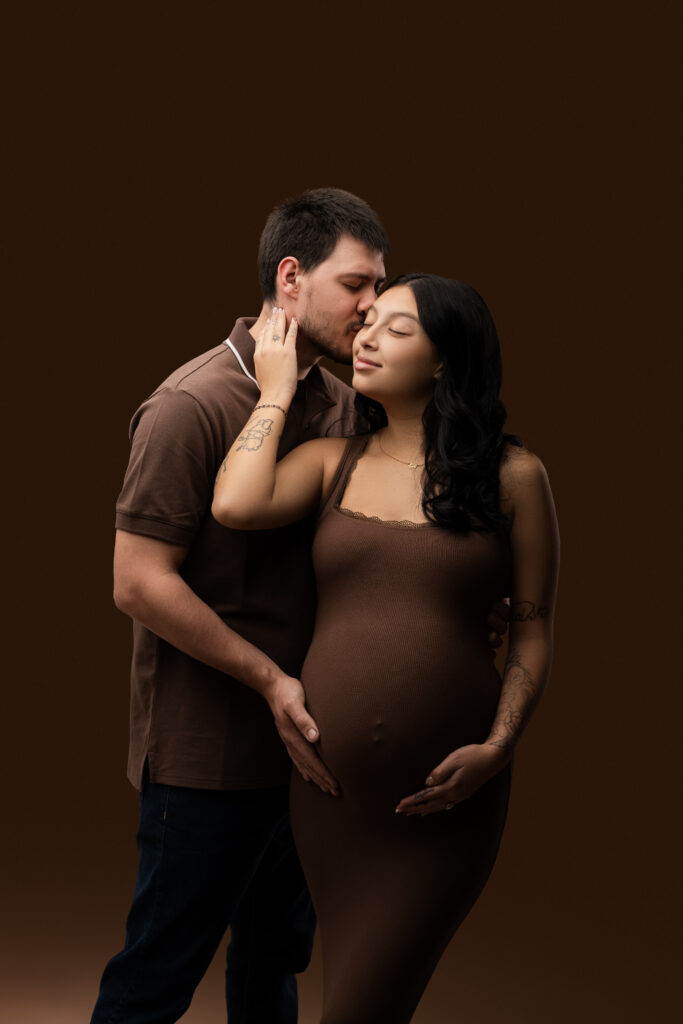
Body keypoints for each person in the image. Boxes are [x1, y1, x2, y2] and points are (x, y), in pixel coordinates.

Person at [91, 190, 509, 1024]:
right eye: (358, 285)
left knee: (275, 964)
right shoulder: (191, 407)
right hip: (210, 755)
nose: (370, 310)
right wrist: (271, 680)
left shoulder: (348, 401)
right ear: (291, 278)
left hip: (317, 759)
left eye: (382, 292)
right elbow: (137, 581)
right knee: (159, 974)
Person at [212, 279, 560, 1023]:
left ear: (445, 360)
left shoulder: (515, 479)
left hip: (440, 806)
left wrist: (498, 747)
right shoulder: (329, 460)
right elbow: (235, 504)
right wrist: (274, 392)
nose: (365, 336)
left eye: (395, 329)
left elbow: (531, 627)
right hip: (329, 799)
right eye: (366, 322)